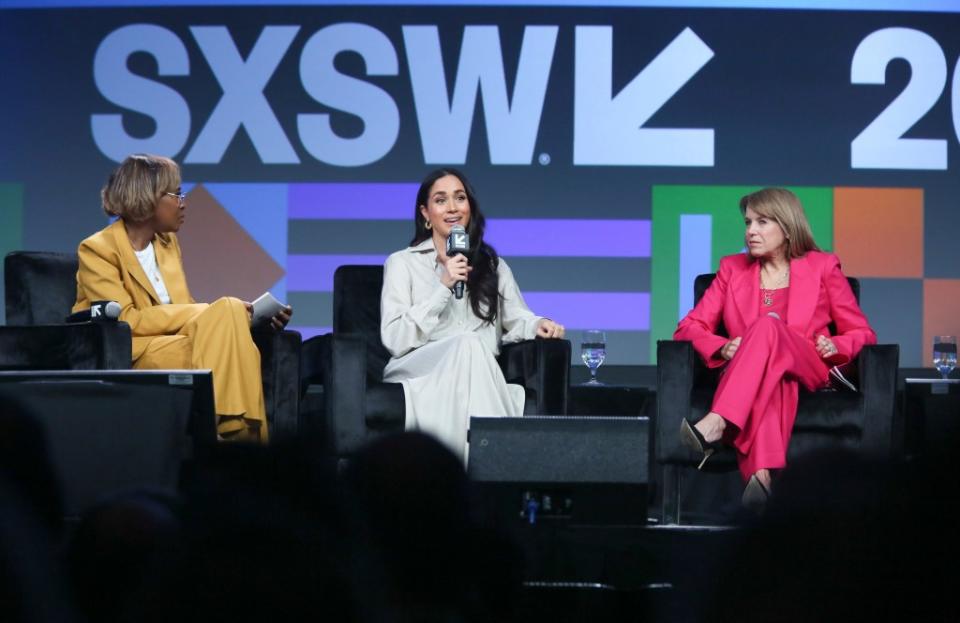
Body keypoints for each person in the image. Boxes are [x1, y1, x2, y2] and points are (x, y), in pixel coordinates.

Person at [674, 187, 876, 509]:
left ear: (787, 227)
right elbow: (688, 328)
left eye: (762, 222)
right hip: (762, 373)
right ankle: (762, 477)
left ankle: (719, 421)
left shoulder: (822, 267)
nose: (750, 231)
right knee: (773, 376)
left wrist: (836, 344)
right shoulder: (731, 268)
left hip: (810, 363)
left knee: (767, 326)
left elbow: (863, 332)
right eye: (748, 222)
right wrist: (723, 347)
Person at [73, 154, 291, 442]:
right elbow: (127, 320)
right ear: (148, 198)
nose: (183, 202)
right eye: (176, 194)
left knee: (231, 319)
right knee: (231, 324)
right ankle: (238, 438)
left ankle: (230, 430)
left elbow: (183, 311)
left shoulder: (167, 244)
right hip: (132, 351)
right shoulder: (97, 249)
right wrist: (214, 312)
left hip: (175, 341)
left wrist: (250, 319)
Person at [380, 168, 565, 461]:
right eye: (441, 200)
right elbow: (395, 338)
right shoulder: (402, 263)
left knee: (470, 347)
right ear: (425, 214)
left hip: (476, 370)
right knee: (467, 343)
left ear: (470, 208)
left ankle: (455, 480)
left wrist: (538, 324)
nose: (452, 207)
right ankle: (501, 469)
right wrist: (443, 286)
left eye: (460, 198)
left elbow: (516, 318)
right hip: (420, 365)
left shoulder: (493, 265)